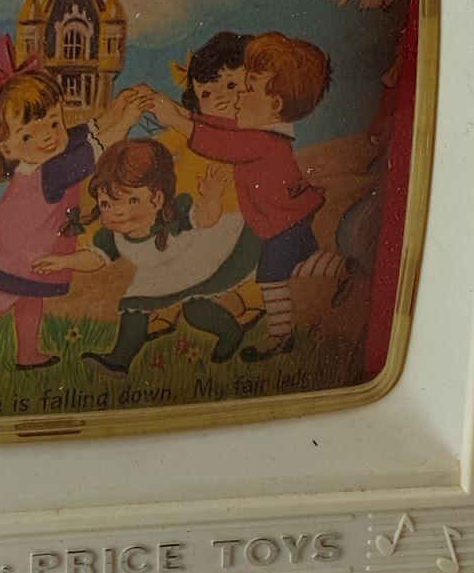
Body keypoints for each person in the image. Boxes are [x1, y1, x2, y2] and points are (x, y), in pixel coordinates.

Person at [0, 34, 149, 378]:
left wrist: (115, 109)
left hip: (24, 247)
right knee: (1, 299)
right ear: (7, 148)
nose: (48, 136)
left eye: (54, 122)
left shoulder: (47, 156)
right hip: (17, 251)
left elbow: (83, 133)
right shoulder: (51, 170)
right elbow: (95, 151)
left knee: (29, 295)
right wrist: (126, 121)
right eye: (28, 134)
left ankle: (28, 353)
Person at [146, 31, 354, 361]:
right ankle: (345, 269)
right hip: (292, 215)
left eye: (248, 88)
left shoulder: (261, 140)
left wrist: (174, 119)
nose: (239, 95)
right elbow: (217, 126)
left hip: (282, 221)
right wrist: (176, 111)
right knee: (301, 262)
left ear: (275, 105)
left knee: (271, 276)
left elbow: (220, 143)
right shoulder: (262, 129)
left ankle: (280, 336)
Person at [35, 137, 261, 370]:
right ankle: (119, 360)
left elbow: (206, 219)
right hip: (161, 274)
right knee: (136, 306)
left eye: (131, 200)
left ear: (156, 199)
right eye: (106, 204)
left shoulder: (174, 213)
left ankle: (231, 332)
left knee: (195, 311)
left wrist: (212, 195)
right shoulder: (113, 236)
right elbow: (96, 258)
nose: (117, 212)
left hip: (200, 261)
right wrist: (63, 262)